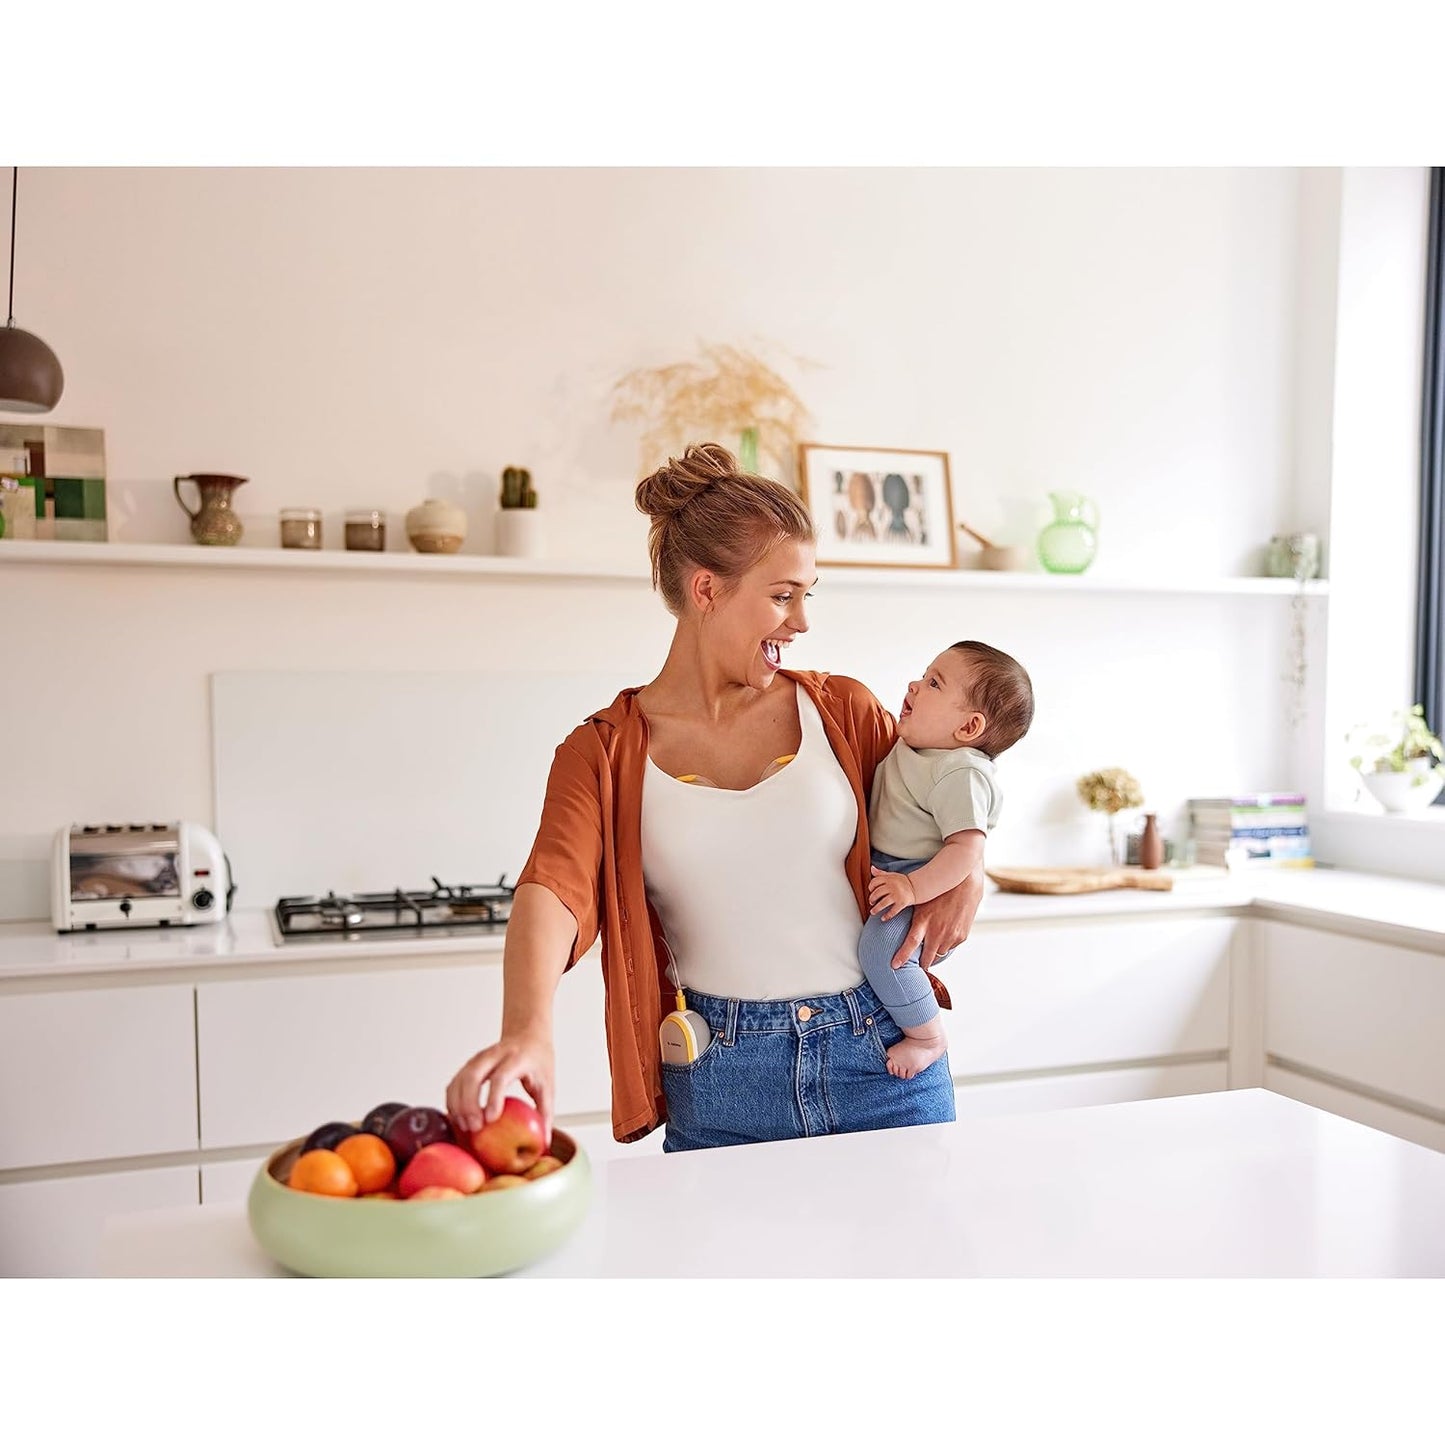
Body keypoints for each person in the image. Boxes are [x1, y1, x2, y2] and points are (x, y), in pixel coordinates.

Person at [445, 442, 985, 1152]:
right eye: (782, 595)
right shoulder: (603, 752)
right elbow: (552, 888)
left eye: (808, 594)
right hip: (723, 1078)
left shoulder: (844, 712)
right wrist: (527, 1031)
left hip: (882, 1060)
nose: (801, 621)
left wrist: (972, 870)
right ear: (706, 590)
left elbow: (947, 796)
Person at [860, 641, 1034, 1079]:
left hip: (920, 878)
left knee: (883, 953)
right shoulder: (918, 748)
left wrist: (912, 887)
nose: (915, 685)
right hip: (895, 871)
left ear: (969, 726)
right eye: (924, 675)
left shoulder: (960, 771)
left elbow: (965, 849)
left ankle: (927, 1037)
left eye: (934, 683)